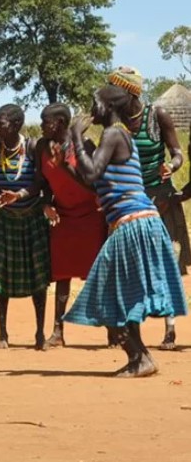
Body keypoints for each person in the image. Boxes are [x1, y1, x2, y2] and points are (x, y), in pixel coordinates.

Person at [65, 83, 188, 377]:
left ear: (107, 107)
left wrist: (74, 137)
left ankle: (139, 357)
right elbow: (95, 182)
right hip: (138, 222)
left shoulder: (113, 134)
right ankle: (140, 357)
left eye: (94, 103)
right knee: (123, 296)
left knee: (103, 296)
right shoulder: (123, 136)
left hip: (131, 223)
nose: (90, 110)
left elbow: (92, 171)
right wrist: (70, 158)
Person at [109, 67, 187, 350]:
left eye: (115, 91)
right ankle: (132, 330)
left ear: (129, 92)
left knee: (166, 264)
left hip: (160, 199)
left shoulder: (157, 116)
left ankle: (170, 329)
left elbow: (177, 152)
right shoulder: (114, 123)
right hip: (128, 200)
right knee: (130, 266)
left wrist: (172, 165)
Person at [0, 104, 50, 350]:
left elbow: (40, 183)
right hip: (2, 218)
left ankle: (40, 333)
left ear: (16, 125)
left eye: (1, 124)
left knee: (38, 275)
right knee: (0, 276)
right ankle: (2, 334)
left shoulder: (34, 147)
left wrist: (19, 194)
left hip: (32, 216)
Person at [32, 103, 107, 348]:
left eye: (47, 122)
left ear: (61, 123)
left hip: (91, 218)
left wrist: (66, 164)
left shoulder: (85, 147)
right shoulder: (41, 147)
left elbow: (94, 186)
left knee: (98, 276)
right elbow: (41, 183)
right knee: (62, 274)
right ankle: (57, 330)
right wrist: (46, 204)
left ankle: (113, 330)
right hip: (63, 217)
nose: (42, 126)